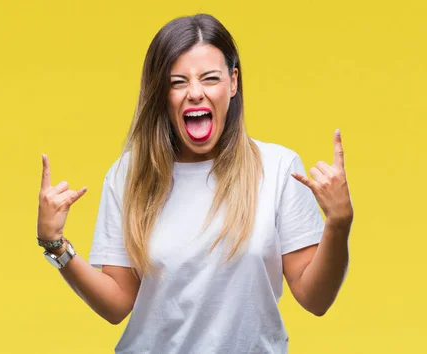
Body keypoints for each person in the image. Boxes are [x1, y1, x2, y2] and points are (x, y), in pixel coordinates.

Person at [36, 13, 353, 354]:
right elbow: (117, 304)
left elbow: (315, 299)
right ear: (161, 93)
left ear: (233, 83)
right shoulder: (129, 176)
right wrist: (54, 244)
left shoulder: (278, 168)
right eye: (178, 82)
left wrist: (338, 223)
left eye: (210, 78)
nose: (196, 93)